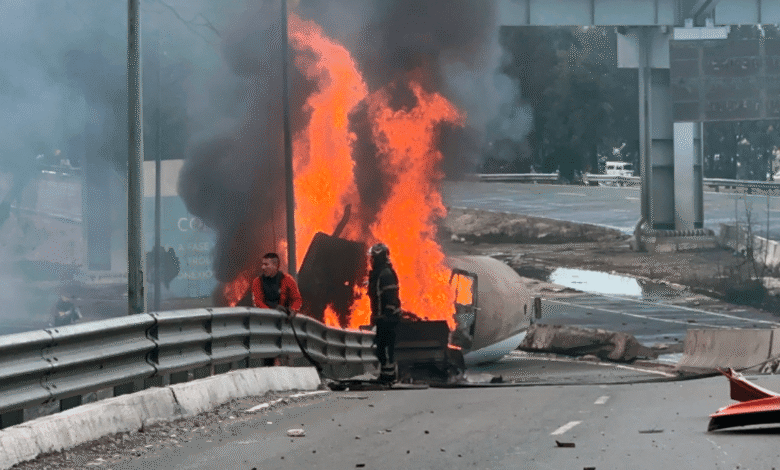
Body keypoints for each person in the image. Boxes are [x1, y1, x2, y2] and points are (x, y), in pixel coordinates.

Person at [367, 242, 402, 383]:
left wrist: (387, 315)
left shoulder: (385, 274)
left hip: (388, 319)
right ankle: (386, 375)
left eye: (373, 257)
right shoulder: (379, 273)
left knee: (386, 349)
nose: (371, 261)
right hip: (382, 318)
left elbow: (390, 297)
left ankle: (389, 376)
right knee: (382, 349)